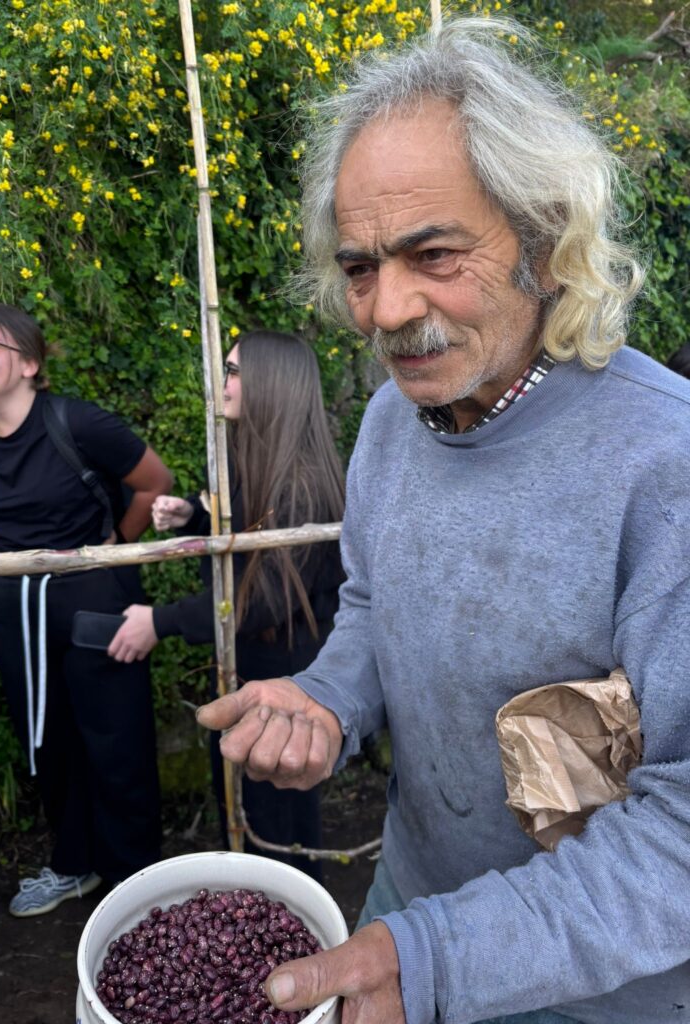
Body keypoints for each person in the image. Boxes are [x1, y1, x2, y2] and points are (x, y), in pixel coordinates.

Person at [195, 17, 690, 1024]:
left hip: (604, 992)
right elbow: (379, 605)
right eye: (362, 265)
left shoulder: (665, 467)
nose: (383, 309)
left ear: (545, 245)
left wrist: (437, 960)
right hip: (406, 912)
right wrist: (328, 698)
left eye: (432, 253)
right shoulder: (392, 419)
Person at [0, 302, 172, 917]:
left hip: (94, 600)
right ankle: (74, 864)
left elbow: (156, 483)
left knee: (115, 739)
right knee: (45, 738)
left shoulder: (79, 424)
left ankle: (135, 885)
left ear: (29, 362)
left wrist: (109, 550)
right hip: (14, 606)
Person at [108, 329, 345, 881]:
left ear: (272, 385)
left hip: (283, 675)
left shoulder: (303, 487)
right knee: (250, 799)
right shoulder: (258, 458)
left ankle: (286, 932)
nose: (223, 381)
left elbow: (260, 602)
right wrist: (192, 515)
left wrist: (159, 622)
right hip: (256, 668)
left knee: (272, 812)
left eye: (234, 372)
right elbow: (239, 524)